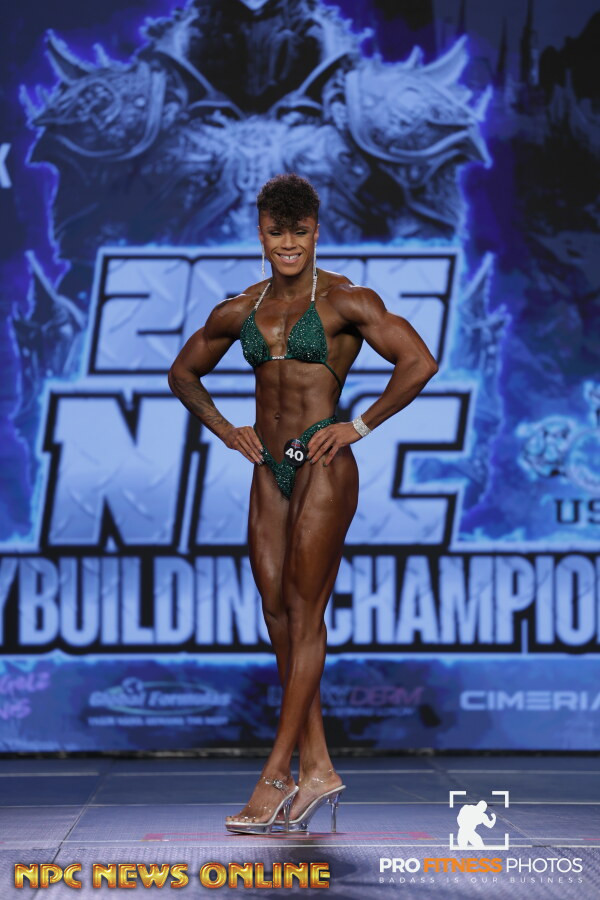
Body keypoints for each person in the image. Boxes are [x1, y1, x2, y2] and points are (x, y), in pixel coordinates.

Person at [167, 173, 438, 834]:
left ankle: (276, 775)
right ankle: (317, 768)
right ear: (261, 234)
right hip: (269, 468)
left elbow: (419, 361)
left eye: (300, 231)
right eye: (276, 232)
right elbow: (182, 372)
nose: (288, 243)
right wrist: (225, 428)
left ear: (316, 232)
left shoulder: (346, 300)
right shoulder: (241, 308)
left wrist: (360, 425)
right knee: (277, 614)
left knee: (304, 610)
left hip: (322, 464)